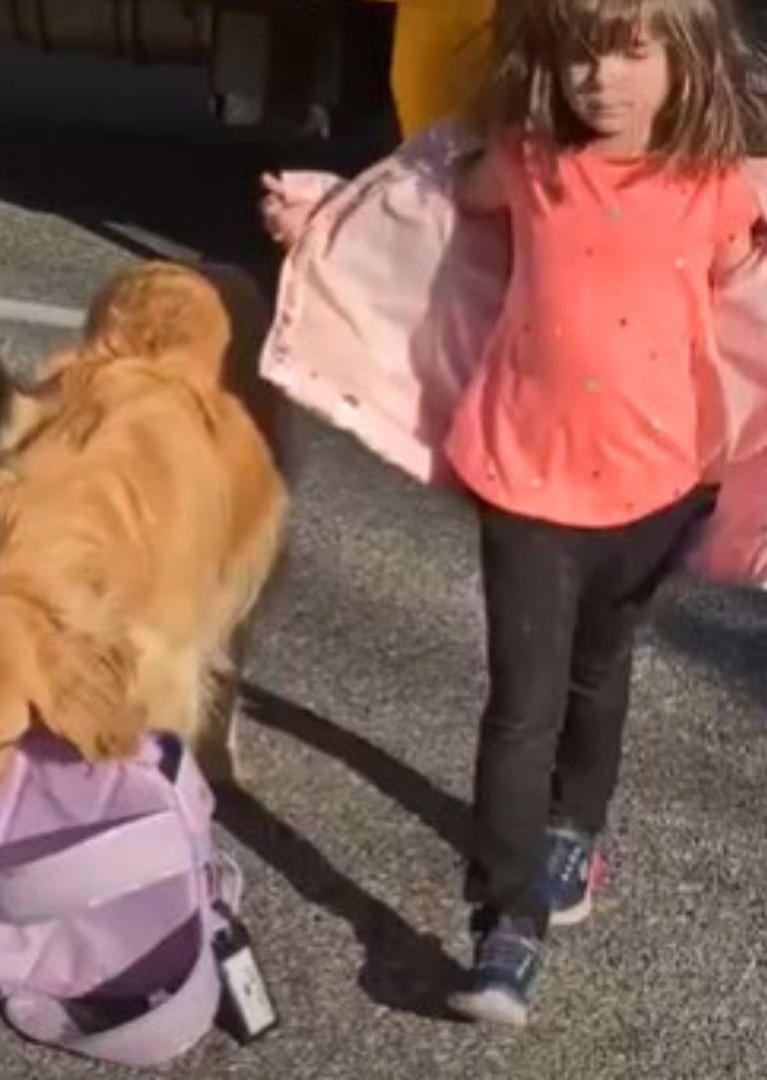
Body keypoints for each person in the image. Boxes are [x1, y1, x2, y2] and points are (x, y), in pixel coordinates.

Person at [260, 0, 767, 1027]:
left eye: (631, 52)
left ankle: (575, 829)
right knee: (522, 702)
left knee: (598, 673)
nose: (602, 79)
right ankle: (506, 923)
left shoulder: (715, 188)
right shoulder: (531, 161)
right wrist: (325, 215)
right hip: (525, 483)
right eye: (581, 52)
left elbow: (739, 297)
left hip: (652, 489)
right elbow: (426, 211)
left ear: (686, 61)